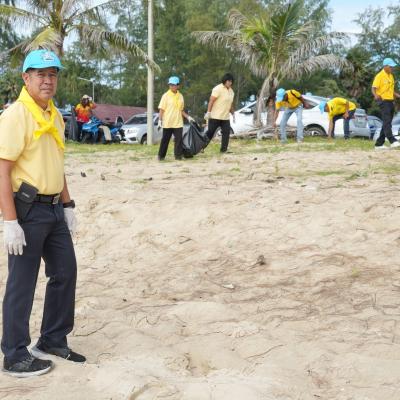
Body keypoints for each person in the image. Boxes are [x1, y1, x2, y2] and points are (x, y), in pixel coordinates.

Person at [0, 49, 85, 378]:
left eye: (52, 74)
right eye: (40, 74)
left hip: (54, 209)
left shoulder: (55, 116)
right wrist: (10, 221)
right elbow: (3, 170)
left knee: (65, 272)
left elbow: (56, 162)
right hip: (27, 210)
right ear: (26, 78)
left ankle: (52, 339)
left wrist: (68, 204)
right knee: (22, 282)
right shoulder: (16, 115)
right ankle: (15, 354)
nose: (48, 80)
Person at [158, 76, 194, 160]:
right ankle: (161, 156)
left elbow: (181, 110)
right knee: (165, 140)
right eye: (170, 84)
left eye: (173, 85)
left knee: (178, 140)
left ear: (178, 85)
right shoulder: (165, 96)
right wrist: (160, 120)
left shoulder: (180, 96)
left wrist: (188, 117)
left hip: (178, 122)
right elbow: (161, 109)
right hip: (168, 122)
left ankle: (178, 156)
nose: (171, 86)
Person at [371, 58, 400, 149]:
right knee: (387, 121)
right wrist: (375, 95)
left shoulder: (391, 76)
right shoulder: (379, 76)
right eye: (391, 66)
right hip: (383, 101)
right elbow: (373, 88)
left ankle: (379, 144)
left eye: (392, 67)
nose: (392, 68)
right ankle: (392, 140)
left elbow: (391, 90)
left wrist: (397, 95)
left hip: (390, 101)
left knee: (387, 122)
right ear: (385, 66)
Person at [204, 73, 235, 153]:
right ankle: (201, 147)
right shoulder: (217, 88)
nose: (230, 83)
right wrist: (208, 112)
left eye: (231, 81)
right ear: (224, 81)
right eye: (228, 81)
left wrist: (233, 113)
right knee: (210, 133)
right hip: (215, 116)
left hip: (225, 117)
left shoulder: (231, 91)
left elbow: (230, 103)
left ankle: (224, 150)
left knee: (226, 133)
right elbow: (211, 101)